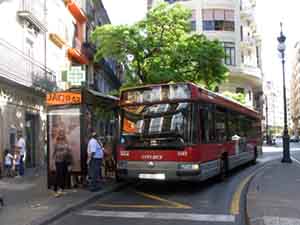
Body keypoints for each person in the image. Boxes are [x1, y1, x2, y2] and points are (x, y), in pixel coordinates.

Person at [52, 129, 72, 197]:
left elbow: (69, 149)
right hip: (58, 160)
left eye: (63, 133)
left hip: (65, 160)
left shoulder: (66, 141)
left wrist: (68, 149)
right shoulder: (56, 141)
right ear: (58, 134)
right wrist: (53, 162)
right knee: (58, 175)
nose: (61, 135)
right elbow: (54, 152)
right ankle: (55, 190)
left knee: (64, 175)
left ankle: (61, 189)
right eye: (60, 133)